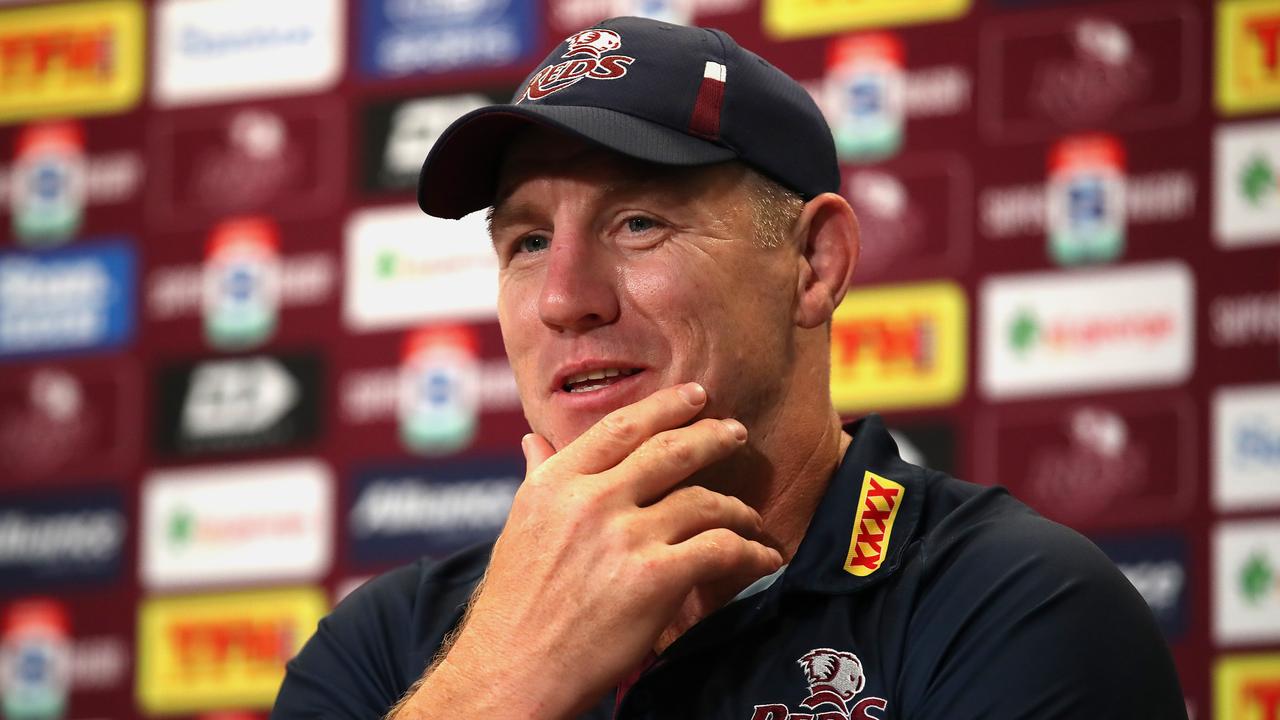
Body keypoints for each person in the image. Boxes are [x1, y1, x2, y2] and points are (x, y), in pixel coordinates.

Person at [272, 16, 1186, 720]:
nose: (563, 298)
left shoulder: (1015, 606)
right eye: (528, 240)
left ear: (814, 265)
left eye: (638, 224)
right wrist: (503, 680)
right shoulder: (386, 646)